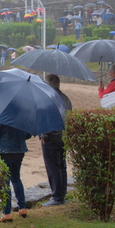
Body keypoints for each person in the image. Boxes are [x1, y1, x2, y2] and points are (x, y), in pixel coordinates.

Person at [0, 123, 32, 222]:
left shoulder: (1, 116)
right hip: (19, 150)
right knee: (16, 178)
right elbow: (28, 134)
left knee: (5, 182)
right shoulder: (22, 117)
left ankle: (7, 212)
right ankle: (22, 208)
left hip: (4, 151)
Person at [41, 76, 70, 207]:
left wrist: (45, 135)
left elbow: (48, 118)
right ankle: (61, 194)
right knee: (61, 166)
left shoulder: (50, 98)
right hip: (63, 137)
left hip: (53, 137)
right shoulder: (65, 98)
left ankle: (57, 196)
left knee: (53, 167)